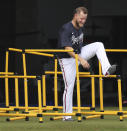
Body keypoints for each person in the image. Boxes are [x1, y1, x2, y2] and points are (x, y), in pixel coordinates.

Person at [58, 7, 116, 121]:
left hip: (78, 54)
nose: (83, 21)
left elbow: (78, 47)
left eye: (84, 19)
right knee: (69, 87)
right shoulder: (66, 28)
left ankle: (106, 70)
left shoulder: (81, 28)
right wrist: (82, 60)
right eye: (81, 19)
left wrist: (82, 58)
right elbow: (68, 49)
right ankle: (66, 116)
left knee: (99, 44)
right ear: (75, 15)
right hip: (67, 60)